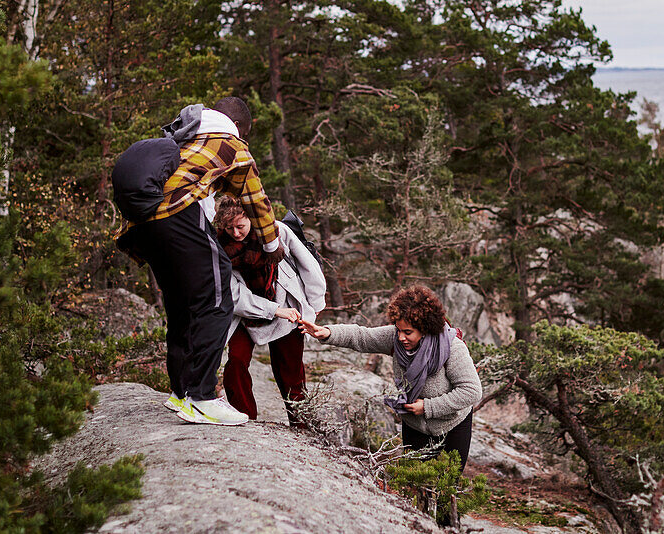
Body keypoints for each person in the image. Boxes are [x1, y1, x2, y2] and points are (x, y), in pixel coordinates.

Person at [115, 97, 285, 426]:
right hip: (177, 212)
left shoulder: (185, 137)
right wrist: (271, 243)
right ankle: (202, 396)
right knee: (218, 295)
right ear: (238, 127)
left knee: (183, 304)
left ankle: (182, 392)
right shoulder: (230, 141)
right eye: (245, 134)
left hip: (142, 225)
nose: (244, 140)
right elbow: (255, 197)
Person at [299, 285, 482, 471]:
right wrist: (328, 333)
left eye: (408, 332)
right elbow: (362, 337)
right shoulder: (396, 337)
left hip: (452, 425)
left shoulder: (452, 347)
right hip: (415, 425)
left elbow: (472, 391)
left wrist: (428, 407)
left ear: (425, 329)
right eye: (398, 330)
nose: (401, 337)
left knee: (447, 485)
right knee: (415, 481)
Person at [214, 197, 326, 427]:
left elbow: (309, 266)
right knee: (235, 361)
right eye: (229, 228)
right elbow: (232, 294)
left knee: (291, 371)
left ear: (250, 219)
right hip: (245, 312)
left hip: (286, 300)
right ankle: (242, 419)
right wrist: (275, 311)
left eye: (240, 226)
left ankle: (302, 426)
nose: (235, 233)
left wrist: (313, 308)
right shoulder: (217, 247)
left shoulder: (277, 231)